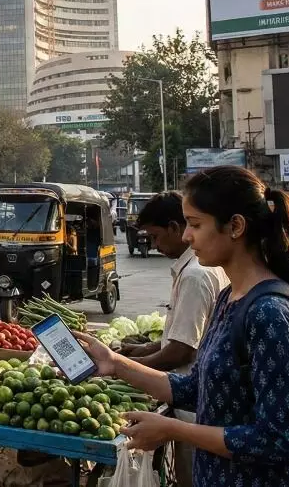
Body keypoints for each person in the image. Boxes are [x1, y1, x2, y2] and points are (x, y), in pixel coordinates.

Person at [73, 165, 289, 486]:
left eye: (195, 224)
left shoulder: (271, 314)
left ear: (235, 226)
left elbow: (279, 440)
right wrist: (115, 363)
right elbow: (196, 388)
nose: (187, 236)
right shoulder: (228, 298)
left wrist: (173, 429)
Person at [119, 191, 228, 487]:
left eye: (155, 236)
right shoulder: (195, 269)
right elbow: (182, 333)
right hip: (195, 398)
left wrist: (126, 367)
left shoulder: (195, 275)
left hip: (193, 407)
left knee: (191, 477)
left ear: (174, 228)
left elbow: (181, 350)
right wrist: (144, 348)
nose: (154, 245)